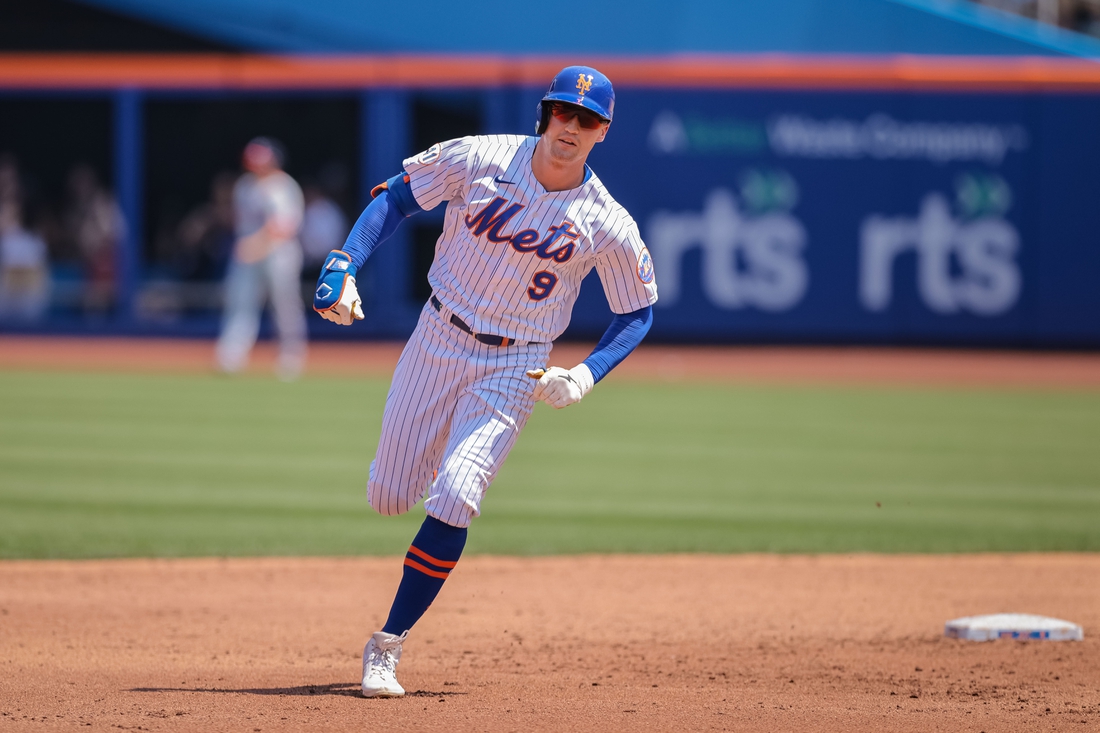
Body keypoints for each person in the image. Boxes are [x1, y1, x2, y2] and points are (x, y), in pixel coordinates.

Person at [315, 66, 658, 698]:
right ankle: (403, 482)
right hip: (438, 336)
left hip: (514, 364)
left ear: (603, 131)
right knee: (391, 496)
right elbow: (395, 196)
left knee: (456, 494)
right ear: (545, 114)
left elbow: (636, 310)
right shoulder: (483, 158)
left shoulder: (605, 220)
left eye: (587, 120)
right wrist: (345, 262)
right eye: (564, 113)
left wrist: (584, 374)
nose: (572, 128)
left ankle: (386, 646)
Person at [216, 138, 307, 380]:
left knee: (285, 305)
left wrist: (253, 246)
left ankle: (291, 357)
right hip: (248, 249)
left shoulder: (284, 186)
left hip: (278, 251)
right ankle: (231, 356)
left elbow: (284, 227)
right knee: (239, 303)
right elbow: (238, 221)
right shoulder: (245, 186)